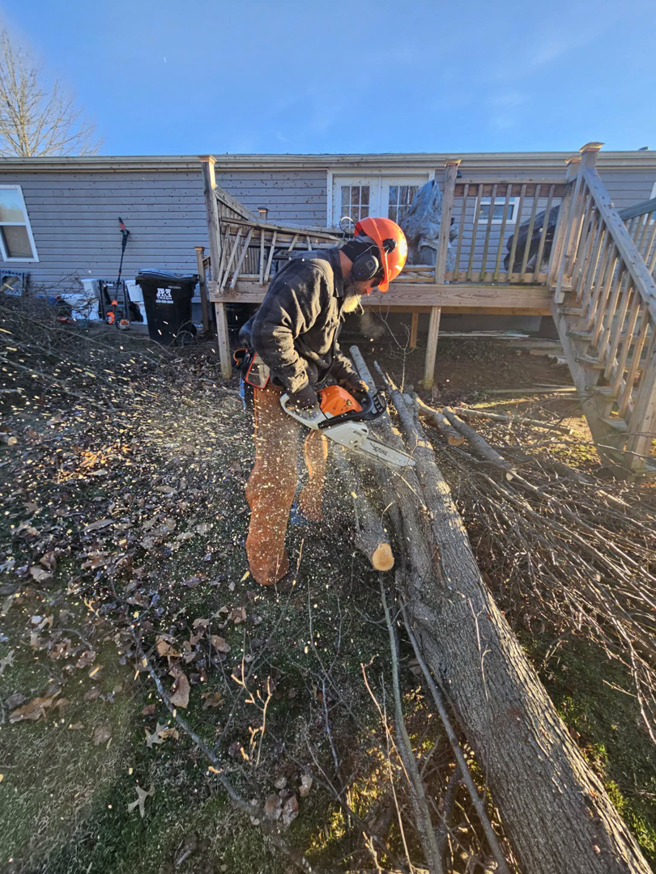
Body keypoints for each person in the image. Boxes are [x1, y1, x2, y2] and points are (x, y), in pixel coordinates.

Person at [238, 217, 408, 588]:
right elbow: (270, 330)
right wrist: (300, 385)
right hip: (275, 386)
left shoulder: (333, 289)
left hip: (300, 382)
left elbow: (324, 350)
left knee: (319, 449)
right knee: (277, 477)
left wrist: (350, 377)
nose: (370, 290)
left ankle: (309, 512)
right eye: (373, 282)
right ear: (368, 263)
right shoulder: (311, 273)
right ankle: (269, 572)